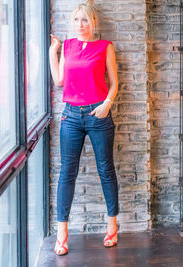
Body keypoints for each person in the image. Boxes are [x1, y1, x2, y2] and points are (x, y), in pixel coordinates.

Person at [49, 0, 119, 256]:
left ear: (93, 23)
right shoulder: (67, 46)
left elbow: (114, 83)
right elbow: (59, 80)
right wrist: (52, 52)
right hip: (71, 116)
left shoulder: (105, 47)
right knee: (67, 173)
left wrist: (107, 104)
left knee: (105, 170)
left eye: (85, 20)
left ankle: (112, 225)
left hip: (98, 115)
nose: (81, 25)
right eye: (77, 20)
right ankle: (62, 232)